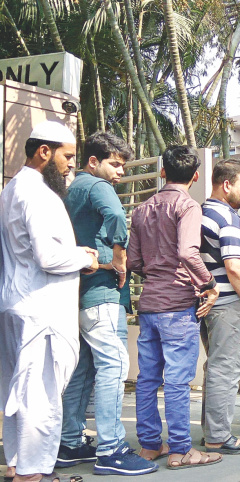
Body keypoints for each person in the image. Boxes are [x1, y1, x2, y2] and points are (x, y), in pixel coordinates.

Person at [0, 121, 100, 482]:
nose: (71, 164)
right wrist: (85, 257)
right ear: (44, 151)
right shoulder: (38, 193)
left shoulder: (13, 189)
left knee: (21, 395)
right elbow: (48, 256)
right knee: (40, 398)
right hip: (41, 309)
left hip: (20, 303)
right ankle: (32, 475)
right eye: (67, 156)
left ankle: (18, 467)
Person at [59, 132, 157, 475]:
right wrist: (119, 257)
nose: (118, 172)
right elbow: (116, 215)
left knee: (82, 371)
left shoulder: (70, 191)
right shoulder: (98, 187)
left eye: (122, 166)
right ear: (93, 161)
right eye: (114, 164)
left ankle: (70, 442)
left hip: (79, 293)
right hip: (102, 292)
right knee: (113, 367)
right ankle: (111, 448)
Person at [127, 145, 221, 469]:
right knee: (178, 381)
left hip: (150, 305)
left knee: (148, 380)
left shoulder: (141, 210)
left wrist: (156, 273)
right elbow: (187, 252)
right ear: (195, 176)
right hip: (179, 305)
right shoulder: (188, 205)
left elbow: (133, 261)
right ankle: (182, 450)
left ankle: (150, 446)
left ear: (163, 171)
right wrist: (209, 284)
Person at [198, 160, 240, 454]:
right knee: (227, 369)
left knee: (216, 368)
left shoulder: (201, 213)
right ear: (227, 185)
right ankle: (218, 437)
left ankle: (212, 431)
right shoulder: (227, 218)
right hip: (230, 303)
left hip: (211, 303)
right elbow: (235, 267)